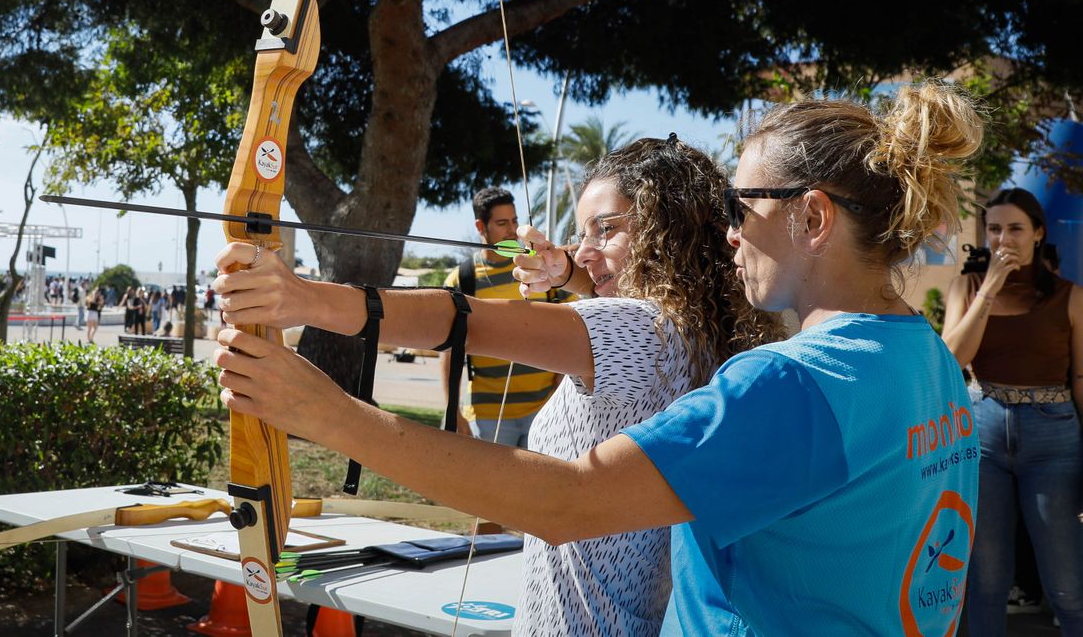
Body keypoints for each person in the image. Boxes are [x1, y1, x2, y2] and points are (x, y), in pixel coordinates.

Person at [214, 81, 983, 635]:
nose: (728, 233)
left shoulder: (789, 384)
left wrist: (323, 408)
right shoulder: (929, 359)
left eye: (740, 208)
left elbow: (569, 501)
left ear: (812, 215)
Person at [941, 187, 1083, 634]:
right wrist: (991, 287)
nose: (1004, 238)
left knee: (1067, 583)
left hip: (1053, 435)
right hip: (982, 433)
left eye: (1016, 228)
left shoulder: (1070, 296)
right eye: (995, 228)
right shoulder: (967, 286)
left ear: (1038, 233)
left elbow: (1080, 379)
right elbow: (951, 361)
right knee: (985, 580)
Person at [439, 186, 575, 447]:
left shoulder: (541, 266)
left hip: (546, 408)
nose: (512, 230)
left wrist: (560, 388)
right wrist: (452, 411)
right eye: (502, 223)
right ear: (481, 226)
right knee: (491, 488)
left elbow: (573, 321)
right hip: (487, 416)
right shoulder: (462, 279)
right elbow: (448, 354)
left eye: (514, 221)